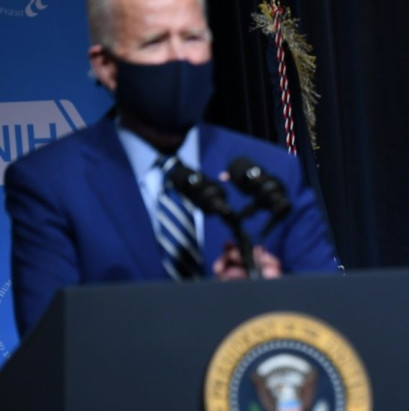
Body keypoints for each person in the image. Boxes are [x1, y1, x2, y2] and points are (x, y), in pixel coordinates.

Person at [4, 0, 338, 337]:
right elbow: (52, 346)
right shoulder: (50, 182)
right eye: (154, 42)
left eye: (192, 38)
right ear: (106, 66)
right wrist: (211, 311)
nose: (180, 57)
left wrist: (274, 301)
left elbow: (333, 315)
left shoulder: (272, 170)